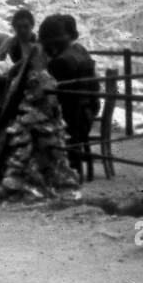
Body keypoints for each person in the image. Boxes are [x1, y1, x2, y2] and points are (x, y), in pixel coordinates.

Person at [38, 12, 101, 180]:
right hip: (86, 114)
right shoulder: (80, 52)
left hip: (70, 120)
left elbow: (51, 98)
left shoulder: (60, 62)